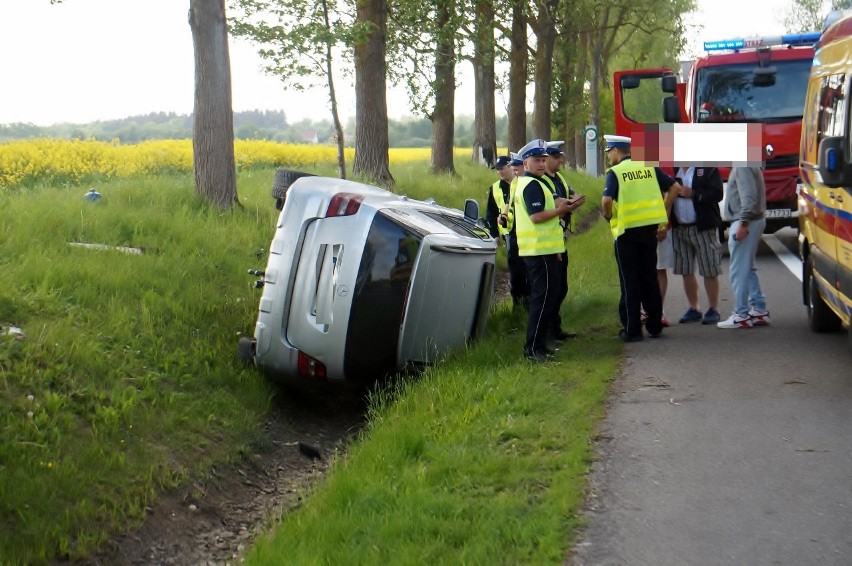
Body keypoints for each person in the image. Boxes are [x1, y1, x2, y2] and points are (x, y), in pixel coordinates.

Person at [601, 135, 679, 342]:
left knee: (630, 281)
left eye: (609, 152)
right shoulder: (649, 168)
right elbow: (675, 188)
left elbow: (607, 200)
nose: (609, 156)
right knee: (649, 278)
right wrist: (661, 211)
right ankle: (654, 326)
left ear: (616, 151)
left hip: (626, 233)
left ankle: (633, 330)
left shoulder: (615, 172)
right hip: (649, 231)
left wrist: (608, 216)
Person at [513, 138, 573, 361]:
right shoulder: (532, 185)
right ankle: (533, 349)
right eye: (536, 160)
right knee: (542, 299)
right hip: (538, 252)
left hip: (543, 249)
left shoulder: (536, 183)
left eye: (543, 160)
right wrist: (560, 211)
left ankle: (538, 345)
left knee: (547, 297)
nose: (541, 164)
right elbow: (536, 217)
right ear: (525, 163)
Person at [541, 141, 585, 339]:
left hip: (559, 236)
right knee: (553, 288)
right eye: (556, 157)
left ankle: (555, 328)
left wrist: (568, 205)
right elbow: (563, 203)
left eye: (560, 156)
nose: (560, 160)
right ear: (546, 158)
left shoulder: (560, 178)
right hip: (548, 240)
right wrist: (568, 205)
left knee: (561, 287)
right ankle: (550, 330)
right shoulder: (544, 181)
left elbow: (578, 198)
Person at [717, 165, 770, 328]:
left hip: (745, 221)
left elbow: (748, 198)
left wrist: (743, 222)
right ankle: (758, 308)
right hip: (754, 220)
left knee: (738, 270)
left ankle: (741, 314)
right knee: (748, 267)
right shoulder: (750, 161)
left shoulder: (742, 165)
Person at [670, 166, 724, 325]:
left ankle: (714, 309)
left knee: (709, 269)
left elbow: (717, 194)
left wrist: (693, 194)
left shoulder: (708, 168)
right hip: (680, 228)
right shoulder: (673, 169)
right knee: (685, 270)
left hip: (703, 227)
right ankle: (694, 308)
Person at [485, 155, 528, 307]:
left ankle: (531, 302)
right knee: (516, 271)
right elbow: (490, 214)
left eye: (502, 168)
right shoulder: (495, 188)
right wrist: (495, 234)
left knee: (530, 269)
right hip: (510, 234)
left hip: (529, 232)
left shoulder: (524, 183)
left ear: (511, 167)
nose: (499, 172)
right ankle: (518, 305)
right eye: (497, 169)